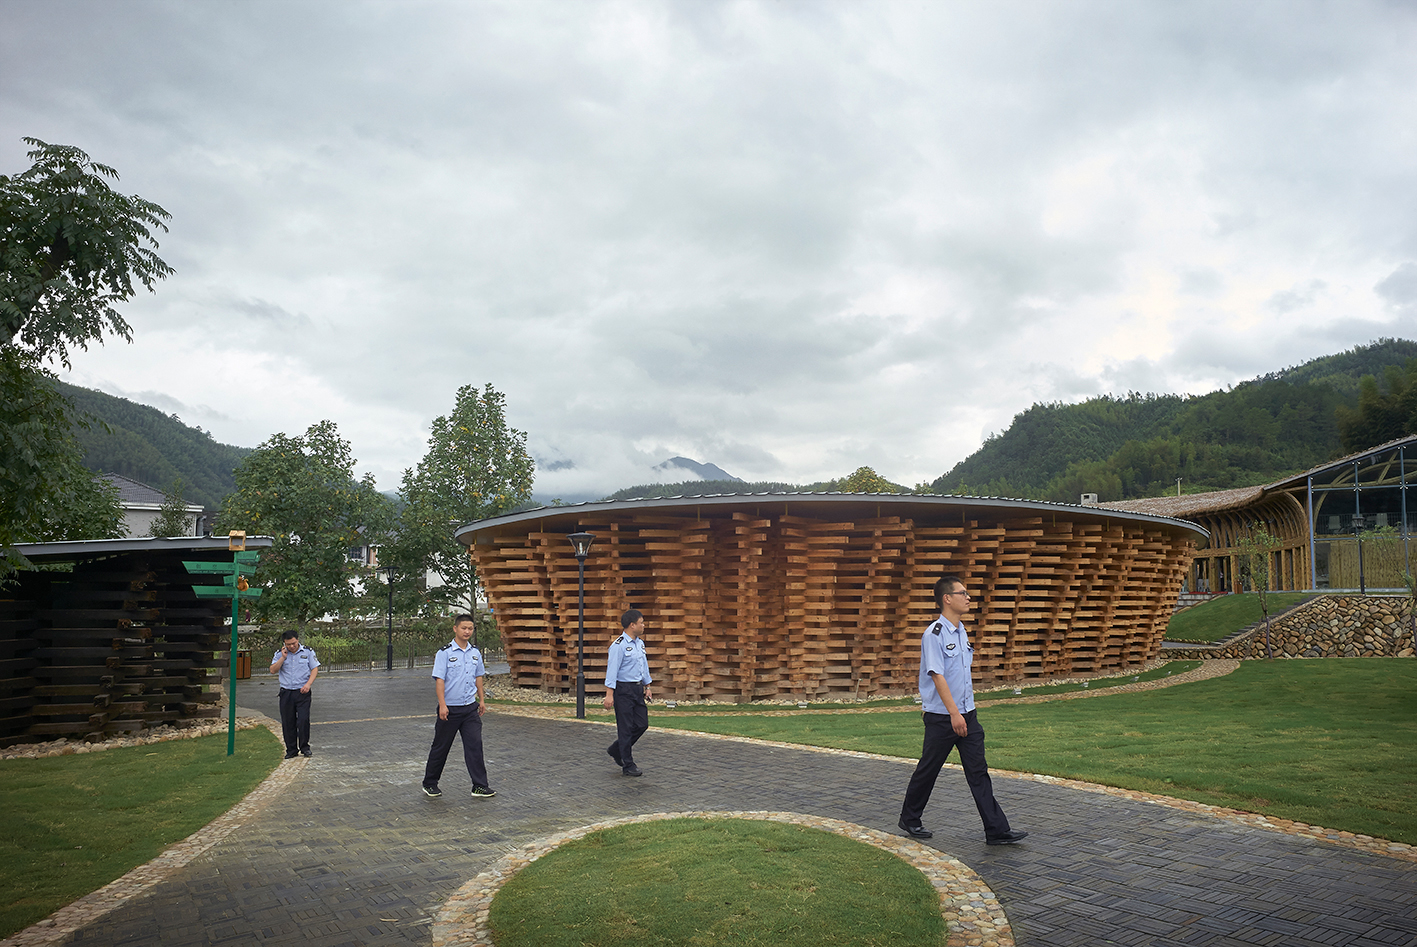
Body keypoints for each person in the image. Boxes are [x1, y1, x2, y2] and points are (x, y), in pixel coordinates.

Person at [897, 575, 1028, 845]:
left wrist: (965, 712)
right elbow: (937, 676)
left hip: (968, 714)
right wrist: (954, 714)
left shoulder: (961, 630)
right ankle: (910, 819)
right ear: (947, 598)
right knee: (928, 769)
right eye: (963, 593)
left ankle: (996, 830)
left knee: (978, 772)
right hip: (943, 718)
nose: (968, 598)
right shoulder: (933, 634)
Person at [422, 613, 496, 799]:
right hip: (450, 709)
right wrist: (442, 705)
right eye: (463, 628)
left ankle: (479, 785)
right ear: (455, 628)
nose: (467, 631)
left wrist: (482, 700)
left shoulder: (475, 653)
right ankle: (430, 783)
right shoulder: (444, 653)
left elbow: (478, 677)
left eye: (470, 628)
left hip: (469, 708)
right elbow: (440, 680)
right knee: (441, 747)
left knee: (475, 746)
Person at [603, 608, 653, 777]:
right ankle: (627, 764)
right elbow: (612, 670)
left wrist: (648, 686)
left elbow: (643, 666)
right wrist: (609, 694)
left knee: (641, 724)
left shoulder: (640, 643)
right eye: (641, 623)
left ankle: (617, 749)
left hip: (637, 689)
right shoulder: (618, 646)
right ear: (632, 625)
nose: (643, 625)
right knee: (625, 729)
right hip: (623, 690)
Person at [270, 630, 320, 760]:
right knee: (288, 722)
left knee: (303, 720)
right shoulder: (279, 654)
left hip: (302, 692)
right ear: (284, 643)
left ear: (298, 640)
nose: (291, 646)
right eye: (288, 644)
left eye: (293, 643)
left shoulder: (308, 652)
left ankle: (305, 747)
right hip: (286, 692)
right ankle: (291, 749)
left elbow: (314, 669)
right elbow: (272, 670)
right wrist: (283, 657)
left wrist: (308, 684)